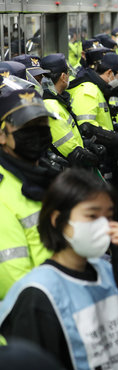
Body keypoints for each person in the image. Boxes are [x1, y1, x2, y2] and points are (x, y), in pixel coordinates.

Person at [0, 169, 118, 370]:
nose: (103, 225)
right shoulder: (38, 294)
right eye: (92, 216)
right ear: (58, 220)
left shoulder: (106, 272)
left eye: (108, 216)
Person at [0, 88, 54, 300]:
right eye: (27, 127)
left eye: (42, 125)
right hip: (30, 320)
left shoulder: (44, 176)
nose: (37, 132)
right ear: (2, 135)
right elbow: (15, 281)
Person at [40, 53, 102, 168]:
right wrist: (88, 157)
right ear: (63, 77)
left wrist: (86, 144)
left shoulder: (57, 100)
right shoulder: (51, 106)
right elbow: (68, 148)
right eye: (68, 73)